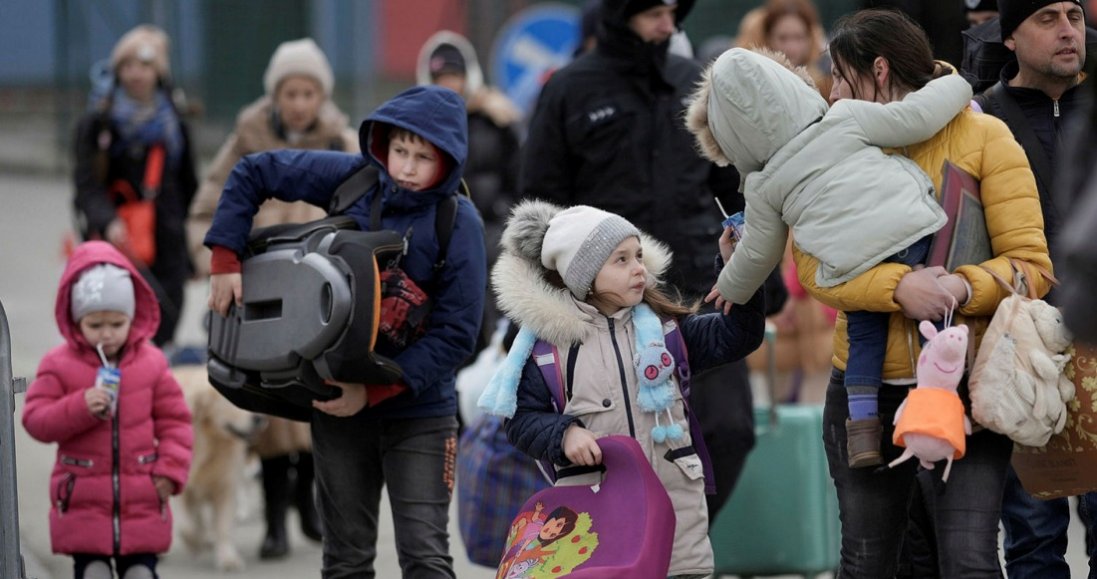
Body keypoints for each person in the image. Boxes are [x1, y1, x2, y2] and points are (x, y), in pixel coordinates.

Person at [792, 9, 1052, 577]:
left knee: (969, 560)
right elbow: (813, 268)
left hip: (968, 386)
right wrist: (897, 288)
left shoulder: (983, 135)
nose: (832, 92)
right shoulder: (831, 144)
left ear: (878, 70)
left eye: (840, 75)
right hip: (863, 390)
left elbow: (1032, 267)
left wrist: (962, 284)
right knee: (867, 560)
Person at [204, 84, 486, 578]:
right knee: (345, 560)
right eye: (399, 150)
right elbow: (255, 170)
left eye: (423, 158)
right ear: (383, 144)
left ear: (449, 161)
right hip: (337, 404)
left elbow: (458, 333)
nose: (406, 167)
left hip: (420, 413)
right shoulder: (357, 178)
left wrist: (374, 391)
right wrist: (225, 257)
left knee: (425, 557)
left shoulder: (457, 222)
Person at [519, 0, 760, 521]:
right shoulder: (568, 90)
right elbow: (540, 204)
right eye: (655, 11)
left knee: (731, 430)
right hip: (603, 309)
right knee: (620, 448)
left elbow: (730, 186)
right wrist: (545, 301)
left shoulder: (693, 80)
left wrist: (754, 265)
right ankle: (634, 552)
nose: (669, 24)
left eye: (676, 11)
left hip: (697, 294)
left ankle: (678, 540)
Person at [686, 46, 973, 468]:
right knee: (938, 320)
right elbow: (916, 117)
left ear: (729, 137)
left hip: (856, 264)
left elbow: (759, 252)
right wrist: (958, 84)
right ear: (793, 88)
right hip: (912, 231)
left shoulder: (764, 186)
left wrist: (729, 286)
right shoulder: (846, 118)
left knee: (865, 337)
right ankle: (941, 406)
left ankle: (862, 434)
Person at [480, 201, 765, 578]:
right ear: (583, 274)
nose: (639, 269)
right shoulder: (550, 352)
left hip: (677, 522)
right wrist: (563, 435)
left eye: (639, 256)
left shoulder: (667, 333)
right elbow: (520, 422)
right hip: (598, 523)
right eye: (621, 260)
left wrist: (737, 270)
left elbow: (737, 336)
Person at [186, 36, 356, 560]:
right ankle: (274, 517)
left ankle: (307, 501)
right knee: (267, 410)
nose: (299, 102)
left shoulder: (342, 142)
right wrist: (217, 262)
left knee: (316, 400)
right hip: (259, 296)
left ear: (320, 96)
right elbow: (207, 209)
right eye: (290, 92)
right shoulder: (246, 139)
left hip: (325, 297)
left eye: (308, 92)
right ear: (275, 95)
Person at [971, 1, 1096, 576]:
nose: (1069, 30)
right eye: (1047, 19)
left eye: (1073, 14)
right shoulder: (978, 121)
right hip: (1023, 354)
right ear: (1011, 37)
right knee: (1031, 543)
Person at [22, 240, 193, 579]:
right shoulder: (58, 364)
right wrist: (79, 405)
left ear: (132, 317)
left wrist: (170, 470)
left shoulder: (152, 362)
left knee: (141, 574)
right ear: (75, 319)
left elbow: (176, 422)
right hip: (83, 501)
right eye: (95, 325)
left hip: (142, 499)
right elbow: (36, 420)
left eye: (116, 324)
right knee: (93, 573)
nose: (107, 335)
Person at [72, 24, 198, 348]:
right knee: (114, 326)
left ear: (159, 72)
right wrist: (107, 220)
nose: (135, 74)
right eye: (127, 66)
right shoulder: (97, 123)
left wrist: (193, 250)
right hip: (116, 240)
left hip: (166, 240)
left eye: (145, 65)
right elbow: (86, 184)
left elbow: (189, 186)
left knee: (164, 324)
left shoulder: (174, 122)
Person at [416, 30, 522, 355]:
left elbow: (519, 177)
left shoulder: (496, 121)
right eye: (440, 77)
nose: (449, 84)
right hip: (441, 237)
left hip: (490, 230)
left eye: (454, 75)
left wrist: (502, 217)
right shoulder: (418, 124)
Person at [735, 0, 833, 98]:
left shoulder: (829, 81)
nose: (791, 48)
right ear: (768, 38)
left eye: (798, 37)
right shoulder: (749, 80)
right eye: (783, 38)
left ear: (810, 38)